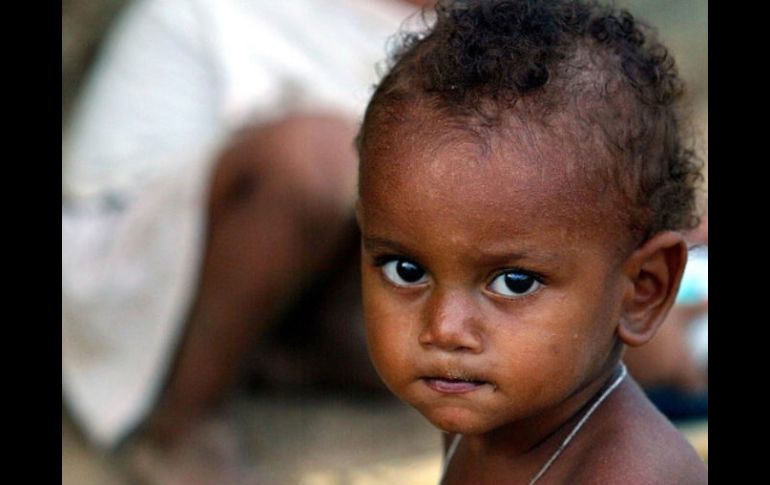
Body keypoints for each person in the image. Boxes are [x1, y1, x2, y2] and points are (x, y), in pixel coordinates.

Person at [61, 0, 430, 470]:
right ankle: (181, 424)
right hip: (121, 259)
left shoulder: (449, 30)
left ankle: (299, 348)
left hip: (286, 257)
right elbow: (104, 186)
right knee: (320, 159)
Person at [354, 0, 708, 483]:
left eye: (514, 282)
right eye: (406, 270)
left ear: (642, 290)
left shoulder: (629, 475)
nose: (445, 329)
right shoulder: (482, 416)